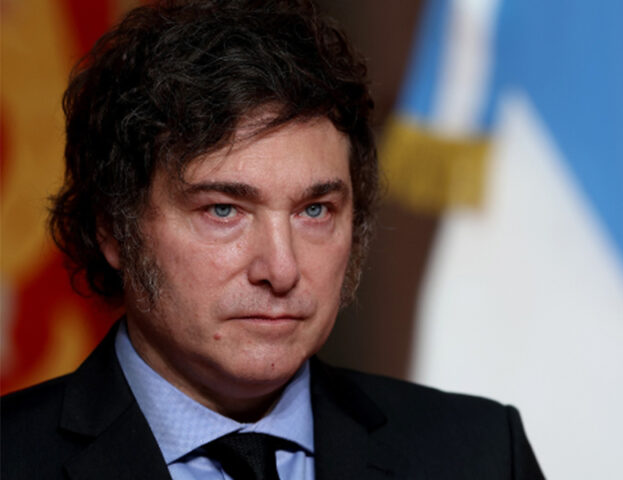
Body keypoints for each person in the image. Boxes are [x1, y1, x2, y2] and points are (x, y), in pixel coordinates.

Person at [0, 1, 544, 478]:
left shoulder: (481, 455)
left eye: (314, 210)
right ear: (114, 229)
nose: (281, 270)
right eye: (223, 210)